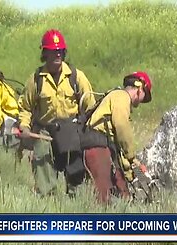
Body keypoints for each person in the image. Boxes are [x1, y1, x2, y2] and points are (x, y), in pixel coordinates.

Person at [17, 29, 96, 197]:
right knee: (42, 156)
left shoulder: (76, 77)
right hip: (46, 131)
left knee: (76, 176)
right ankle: (47, 200)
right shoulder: (36, 79)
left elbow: (91, 107)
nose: (57, 55)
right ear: (45, 53)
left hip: (71, 130)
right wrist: (24, 126)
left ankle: (77, 200)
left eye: (60, 51)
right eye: (53, 51)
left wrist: (85, 131)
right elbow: (25, 107)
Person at [80, 71, 153, 203]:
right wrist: (131, 156)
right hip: (98, 148)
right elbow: (121, 126)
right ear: (140, 88)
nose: (142, 100)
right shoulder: (121, 97)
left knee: (122, 195)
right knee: (105, 198)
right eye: (145, 95)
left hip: (104, 148)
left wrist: (132, 168)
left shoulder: (116, 97)